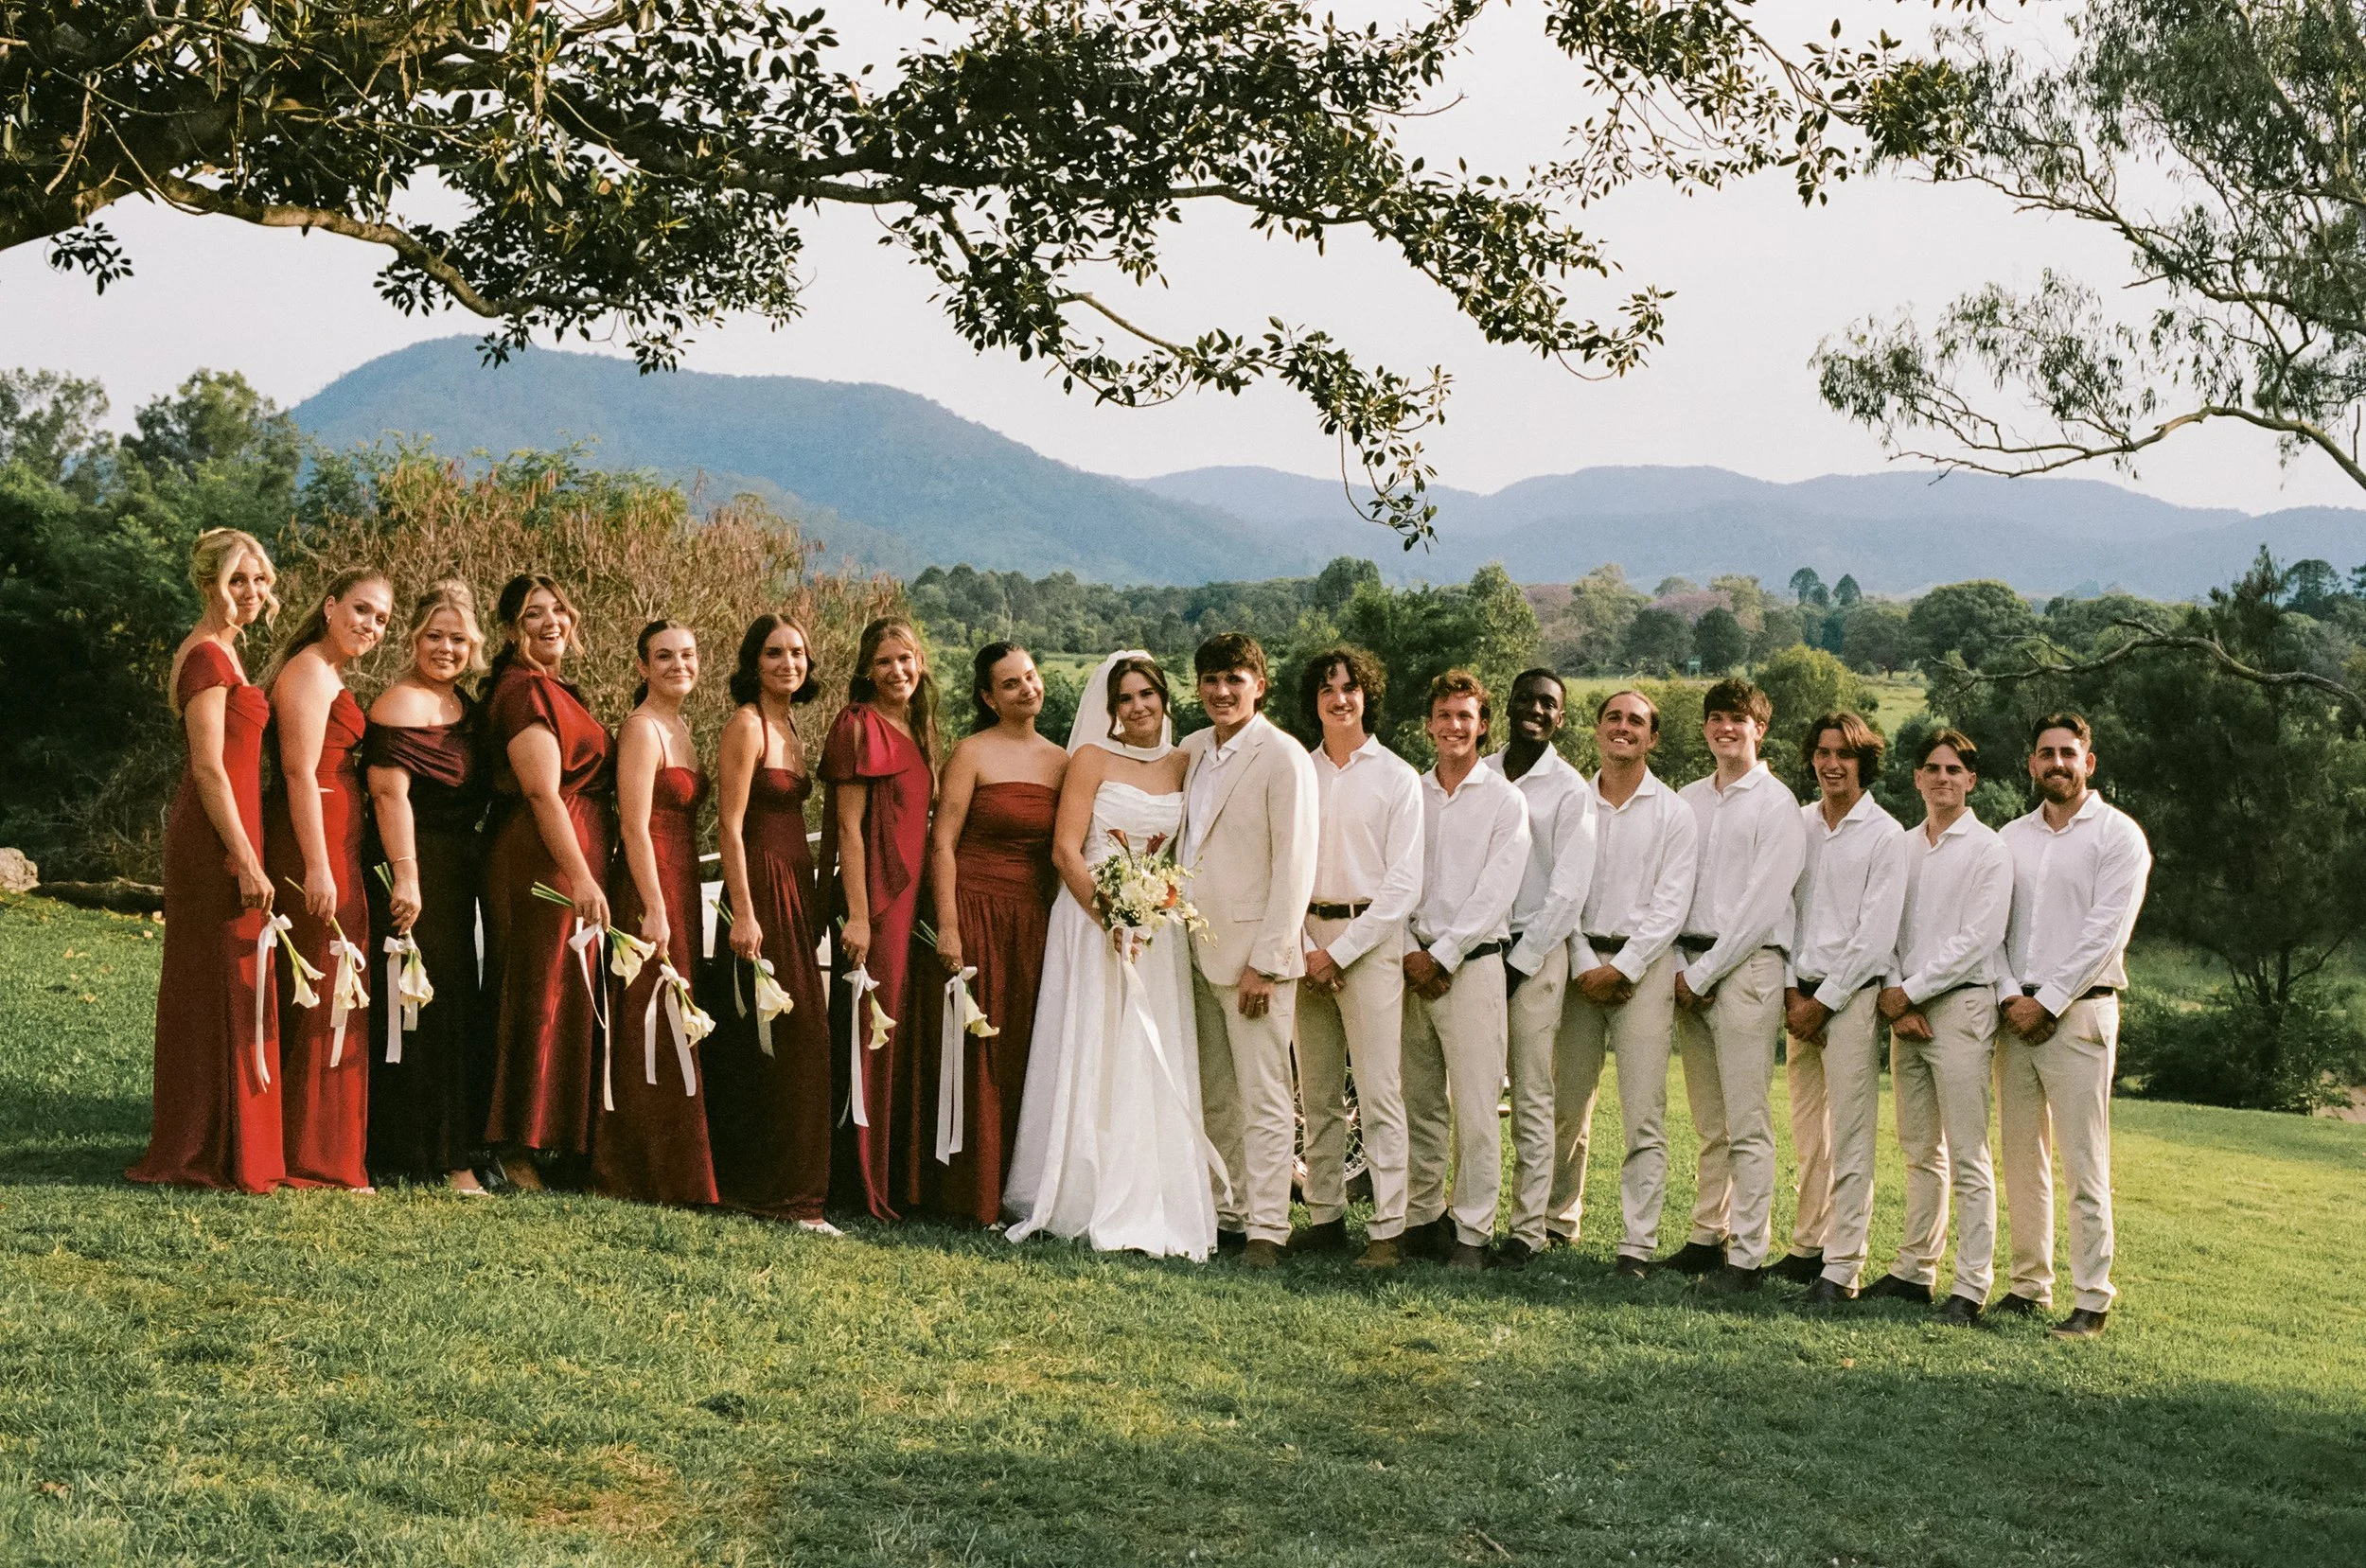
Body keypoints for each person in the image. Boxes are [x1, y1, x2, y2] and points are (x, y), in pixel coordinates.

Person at [1004, 651, 1219, 1259]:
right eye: (1125, 699)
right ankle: (1079, 1189)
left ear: (1165, 699)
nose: (1138, 707)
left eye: (1147, 694)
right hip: (1090, 919)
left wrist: (1150, 911)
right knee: (1092, 1042)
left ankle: (1152, 1188)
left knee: (1150, 1053)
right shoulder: (1091, 760)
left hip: (1157, 929)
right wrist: (1112, 916)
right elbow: (1066, 850)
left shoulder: (1187, 762)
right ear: (1110, 709)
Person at [130, 529, 288, 1192]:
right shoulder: (206, 660)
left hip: (233, 829)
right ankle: (197, 1145)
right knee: (210, 981)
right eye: (238, 581)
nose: (252, 593)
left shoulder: (228, 652)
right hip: (214, 837)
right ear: (207, 584)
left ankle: (229, 1138)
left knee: (228, 976)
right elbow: (209, 770)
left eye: (259, 580)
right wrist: (246, 858)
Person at [1995, 713, 2151, 1339]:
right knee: (2022, 1159)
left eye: (2068, 753)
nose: (2056, 763)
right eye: (2044, 753)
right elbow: (1991, 928)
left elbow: (2105, 932)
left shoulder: (2119, 836)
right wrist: (2012, 995)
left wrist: (2049, 1001)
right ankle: (2029, 1284)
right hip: (2014, 1016)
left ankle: (2092, 1297)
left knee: (2085, 1161)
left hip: (2081, 1013)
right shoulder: (2011, 836)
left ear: (2089, 761)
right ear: (2031, 764)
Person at [1178, 633, 1320, 1267]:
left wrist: (1268, 958)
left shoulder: (1283, 756)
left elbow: (1294, 864)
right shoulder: (1188, 750)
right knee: (1216, 1096)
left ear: (1259, 684)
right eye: (1210, 678)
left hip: (1253, 959)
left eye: (1234, 677)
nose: (1221, 690)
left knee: (1265, 1097)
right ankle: (1228, 1215)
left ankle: (1268, 1228)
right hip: (1191, 950)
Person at [919, 642, 1067, 1224]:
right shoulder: (971, 753)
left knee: (1022, 1044)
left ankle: (1015, 1184)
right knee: (973, 1042)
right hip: (974, 909)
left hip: (1031, 917)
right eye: (1010, 684)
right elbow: (942, 843)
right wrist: (949, 926)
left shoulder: (1062, 760)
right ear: (987, 697)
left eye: (1030, 676)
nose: (1026, 688)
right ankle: (965, 1191)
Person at [1550, 690, 1697, 1272]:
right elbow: (1560, 891)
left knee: (1643, 1111)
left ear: (1652, 738)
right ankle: (1557, 1220)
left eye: (1635, 721)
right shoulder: (1572, 804)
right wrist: (1587, 964)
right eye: (1613, 717)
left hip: (1645, 971)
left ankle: (1637, 1242)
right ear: (1596, 729)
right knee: (1567, 1104)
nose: (1622, 727)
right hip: (1579, 966)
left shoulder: (1673, 812)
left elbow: (1672, 904)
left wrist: (1626, 967)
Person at [1871, 729, 2012, 1323]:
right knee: (1918, 1147)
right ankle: (1914, 1270)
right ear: (1917, 778)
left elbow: (1978, 938)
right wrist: (1895, 997)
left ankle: (1971, 1285)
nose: (1942, 778)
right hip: (1907, 1011)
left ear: (1971, 780)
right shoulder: (1901, 847)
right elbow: (1884, 928)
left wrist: (1912, 993)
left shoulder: (1989, 850)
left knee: (1968, 1149)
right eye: (1931, 768)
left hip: (1959, 1008)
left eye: (1954, 769)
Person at [1671, 678, 1807, 1293]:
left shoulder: (1776, 803)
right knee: (1710, 1120)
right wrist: (1680, 962)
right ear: (1705, 728)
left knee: (1748, 1121)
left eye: (1739, 719)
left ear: (1761, 729)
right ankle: (1708, 1235)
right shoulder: (1688, 800)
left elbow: (1761, 906)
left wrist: (1703, 972)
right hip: (1689, 968)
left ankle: (1747, 1258)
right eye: (1717, 718)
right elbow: (1670, 889)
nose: (1726, 727)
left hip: (1747, 970)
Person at [481, 573, 614, 1189]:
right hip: (541, 862)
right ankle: (510, 1146)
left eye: (559, 610)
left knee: (564, 994)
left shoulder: (559, 688)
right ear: (511, 629)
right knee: (534, 995)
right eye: (535, 614)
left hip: (569, 858)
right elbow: (540, 790)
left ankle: (552, 1135)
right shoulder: (524, 692)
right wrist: (583, 875)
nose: (551, 621)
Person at [1291, 646, 1422, 1268]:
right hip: (1305, 941)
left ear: (1367, 694)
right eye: (1327, 689)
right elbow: (1280, 865)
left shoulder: (1397, 776)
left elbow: (1403, 885)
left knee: (1378, 1091)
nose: (1339, 699)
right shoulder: (1297, 770)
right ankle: (1323, 1216)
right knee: (1314, 1091)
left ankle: (1389, 1227)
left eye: (1350, 688)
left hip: (1367, 943)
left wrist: (1340, 951)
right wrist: (1305, 948)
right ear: (1313, 699)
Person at [263, 567, 394, 1190]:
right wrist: (316, 864)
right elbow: (297, 771)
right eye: (362, 609)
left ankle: (326, 1148)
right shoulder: (309, 672)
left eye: (381, 619)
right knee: (321, 989)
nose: (370, 625)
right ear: (331, 604)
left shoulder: (330, 673)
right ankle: (308, 1155)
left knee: (339, 987)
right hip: (313, 845)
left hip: (338, 839)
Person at [709, 613, 838, 1232]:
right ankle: (775, 1193)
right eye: (775, 653)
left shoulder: (791, 725)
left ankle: (789, 1189)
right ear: (753, 662)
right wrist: (743, 911)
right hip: (758, 886)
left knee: (800, 1037)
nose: (789, 663)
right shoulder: (747, 724)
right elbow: (728, 825)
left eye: (798, 654)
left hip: (796, 883)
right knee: (782, 1038)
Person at [364, 580, 494, 1193]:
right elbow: (389, 793)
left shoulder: (467, 708)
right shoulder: (397, 702)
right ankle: (427, 1153)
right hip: (412, 868)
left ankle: (450, 1144)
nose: (446, 648)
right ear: (414, 638)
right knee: (423, 1007)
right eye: (435, 636)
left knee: (453, 1006)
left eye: (458, 638)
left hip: (458, 870)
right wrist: (408, 875)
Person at [1774, 712, 1908, 1302]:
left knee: (1852, 1137)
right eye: (1823, 753)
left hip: (1848, 1000)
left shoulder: (1886, 835)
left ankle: (1842, 1268)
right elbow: (1779, 908)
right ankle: (1808, 1247)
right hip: (1798, 994)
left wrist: (1822, 1004)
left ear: (1864, 763)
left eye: (1844, 755)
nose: (1831, 764)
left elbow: (1874, 937)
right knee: (1809, 1134)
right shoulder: (1796, 824)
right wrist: (1788, 991)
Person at [1400, 671, 1531, 1270]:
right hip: (1406, 964)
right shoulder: (1410, 792)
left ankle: (1472, 1234)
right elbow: (1391, 878)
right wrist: (1409, 950)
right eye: (1444, 715)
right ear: (1429, 724)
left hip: (1472, 967)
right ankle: (1423, 1219)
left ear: (1483, 726)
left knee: (1476, 1108)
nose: (1455, 726)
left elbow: (1495, 892)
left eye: (1466, 716)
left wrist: (1444, 956)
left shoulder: (1506, 800)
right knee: (1418, 1101)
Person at [593, 621, 719, 1206]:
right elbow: (633, 825)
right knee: (648, 1014)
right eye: (664, 656)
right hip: (651, 882)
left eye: (687, 655)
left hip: (684, 878)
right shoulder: (642, 729)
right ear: (642, 667)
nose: (678, 665)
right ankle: (640, 1166)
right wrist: (653, 906)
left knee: (677, 1011)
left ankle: (679, 1161)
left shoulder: (683, 727)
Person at [822, 615, 940, 1220]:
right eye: (888, 661)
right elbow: (847, 825)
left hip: (912, 899)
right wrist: (860, 916)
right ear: (868, 669)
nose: (900, 671)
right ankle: (856, 1181)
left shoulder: (916, 728)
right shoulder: (857, 725)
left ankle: (892, 1175)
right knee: (872, 1028)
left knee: (896, 1033)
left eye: (908, 659)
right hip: (877, 903)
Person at [1480, 669, 1597, 1268]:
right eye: (1524, 699)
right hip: (1474, 949)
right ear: (1507, 707)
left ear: (1561, 719)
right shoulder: (1481, 772)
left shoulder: (1570, 790)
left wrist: (1518, 964)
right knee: (1472, 1093)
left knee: (1532, 1091)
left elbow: (1568, 894)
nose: (1534, 710)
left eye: (1547, 704)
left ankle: (1528, 1229)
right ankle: (1466, 1217)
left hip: (1534, 951)